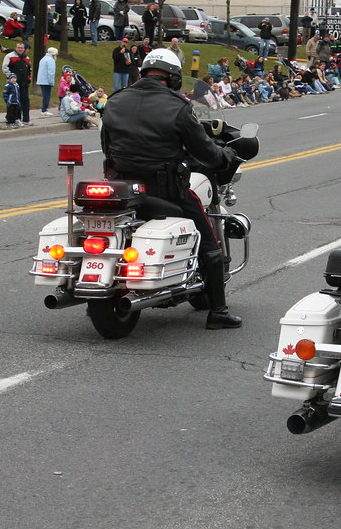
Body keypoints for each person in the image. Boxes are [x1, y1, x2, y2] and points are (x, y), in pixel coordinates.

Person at [100, 48, 242, 330]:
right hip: (164, 189)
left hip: (120, 188)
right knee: (208, 240)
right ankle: (218, 311)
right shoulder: (178, 106)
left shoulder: (115, 101)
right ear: (174, 78)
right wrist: (225, 155)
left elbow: (107, 145)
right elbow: (206, 152)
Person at [2, 42, 32, 124]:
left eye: (22, 48)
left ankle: (26, 119)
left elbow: (29, 69)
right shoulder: (9, 56)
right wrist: (10, 77)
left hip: (24, 83)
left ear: (24, 49)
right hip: (13, 85)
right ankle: (13, 118)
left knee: (25, 101)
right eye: (18, 47)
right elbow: (4, 67)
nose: (20, 49)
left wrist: (29, 78)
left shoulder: (27, 58)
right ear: (16, 48)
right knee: (13, 102)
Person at [36, 46, 57, 116]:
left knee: (44, 95)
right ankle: (44, 110)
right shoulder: (51, 60)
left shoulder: (43, 59)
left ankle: (44, 109)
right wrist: (51, 82)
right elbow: (51, 73)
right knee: (47, 95)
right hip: (47, 81)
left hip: (41, 80)